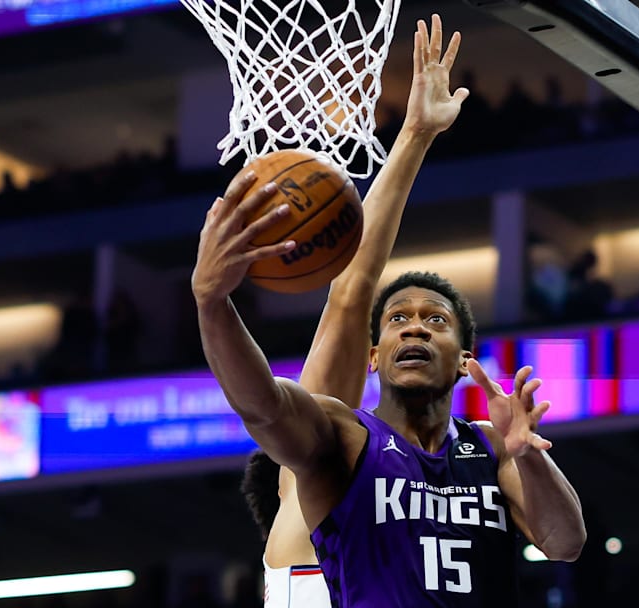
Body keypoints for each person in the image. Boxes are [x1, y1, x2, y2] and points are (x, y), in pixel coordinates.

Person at [194, 32, 585, 608]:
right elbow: (344, 304)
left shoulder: (483, 452)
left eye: (435, 320)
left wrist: (530, 458)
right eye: (400, 318)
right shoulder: (331, 462)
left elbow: (566, 542)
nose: (416, 327)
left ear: (464, 359)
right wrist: (211, 302)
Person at [237, 14, 470, 605]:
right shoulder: (312, 523)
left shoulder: (381, 554)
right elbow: (351, 290)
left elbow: (353, 291)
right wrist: (414, 135)